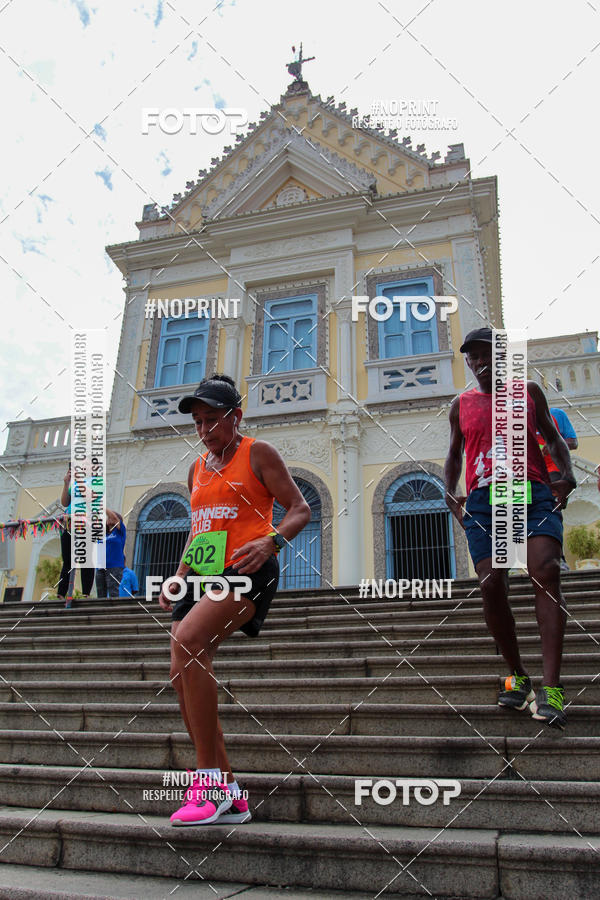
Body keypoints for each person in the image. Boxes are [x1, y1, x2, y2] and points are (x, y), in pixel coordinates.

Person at [158, 374, 311, 826]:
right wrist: (179, 576)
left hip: (247, 569)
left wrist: (271, 543)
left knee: (188, 641)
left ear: (236, 417)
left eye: (212, 420)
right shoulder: (198, 468)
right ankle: (228, 789)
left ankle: (209, 784)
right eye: (198, 422)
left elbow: (300, 509)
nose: (204, 430)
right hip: (201, 575)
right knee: (178, 674)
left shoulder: (257, 453)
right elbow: (199, 527)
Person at [444, 328, 577, 729]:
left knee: (546, 572)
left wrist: (566, 476)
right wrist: (450, 492)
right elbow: (453, 455)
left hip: (532, 492)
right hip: (484, 500)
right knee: (489, 584)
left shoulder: (530, 392)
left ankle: (552, 687)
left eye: (487, 356)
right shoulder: (461, 405)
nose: (479, 363)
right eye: (472, 358)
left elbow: (553, 440)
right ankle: (518, 675)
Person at [537, 407, 578, 570]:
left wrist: (552, 444)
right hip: (528, 473)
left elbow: (573, 442)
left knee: (552, 511)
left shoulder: (556, 414)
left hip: (554, 470)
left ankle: (558, 558)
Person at [58, 464, 95, 609]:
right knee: (67, 558)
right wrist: (66, 482)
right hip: (68, 521)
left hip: (85, 521)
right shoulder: (72, 483)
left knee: (86, 558)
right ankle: (62, 592)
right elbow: (64, 502)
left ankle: (86, 592)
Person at [95, 510, 126, 598]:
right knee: (100, 594)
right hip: (100, 567)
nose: (109, 518)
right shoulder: (103, 535)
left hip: (114, 567)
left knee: (113, 592)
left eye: (110, 517)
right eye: (108, 518)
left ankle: (114, 611)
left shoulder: (120, 532)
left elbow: (114, 518)